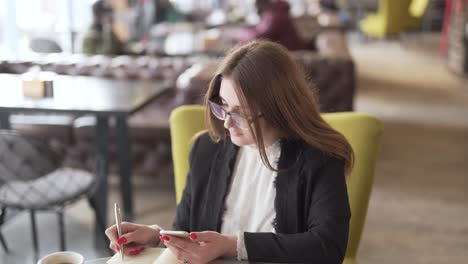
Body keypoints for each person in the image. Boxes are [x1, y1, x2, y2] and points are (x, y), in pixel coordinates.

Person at [105, 40, 353, 263]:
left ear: (279, 108)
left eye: (240, 112)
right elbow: (187, 228)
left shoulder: (318, 157)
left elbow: (328, 248)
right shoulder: (207, 149)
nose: (226, 122)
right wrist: (156, 237)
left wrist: (233, 245)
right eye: (222, 106)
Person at [233, 0, 305, 51]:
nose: (256, 10)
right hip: (285, 50)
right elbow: (260, 31)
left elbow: (260, 36)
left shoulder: (274, 15)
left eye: (257, 6)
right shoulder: (273, 13)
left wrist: (238, 34)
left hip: (290, 52)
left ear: (262, 3)